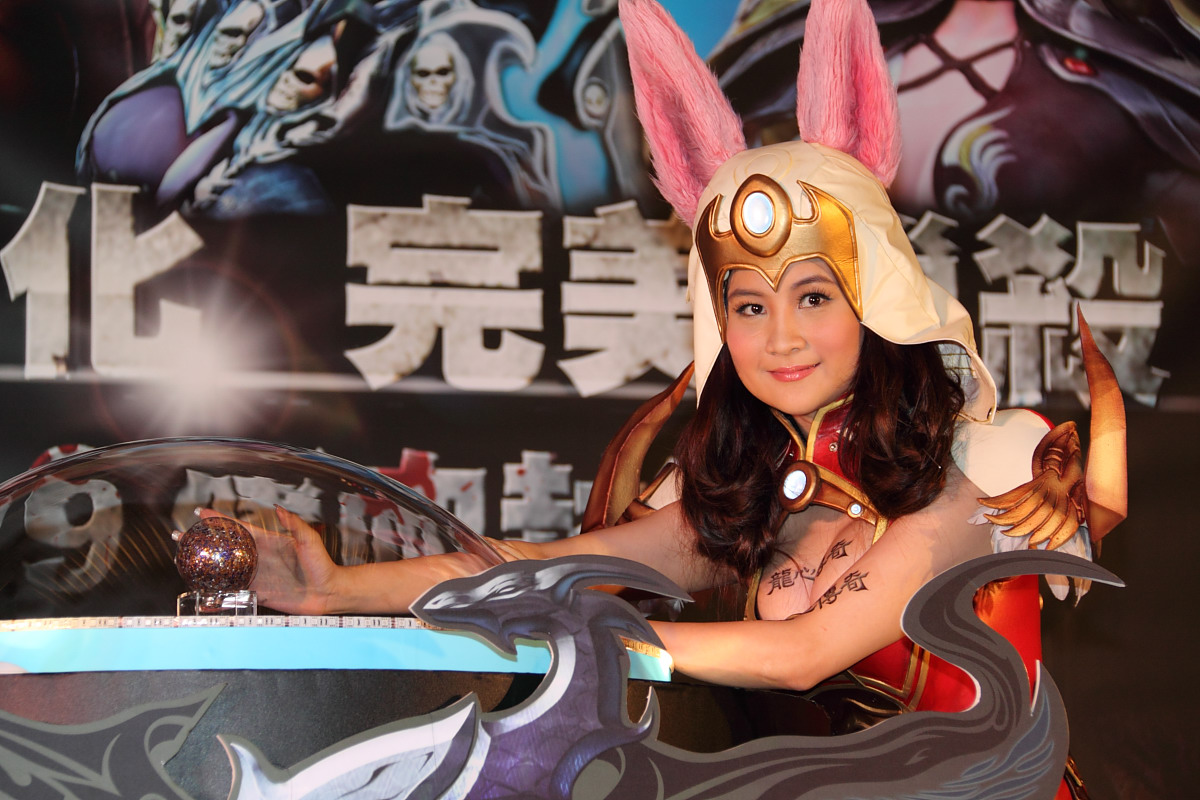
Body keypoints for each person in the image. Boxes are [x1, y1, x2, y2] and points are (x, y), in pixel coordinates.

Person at [239, 0, 1125, 791]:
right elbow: (538, 566)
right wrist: (337, 589)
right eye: (750, 305)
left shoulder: (975, 473)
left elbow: (801, 653)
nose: (780, 338)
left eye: (814, 297)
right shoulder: (752, 498)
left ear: (876, 296)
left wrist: (577, 640)